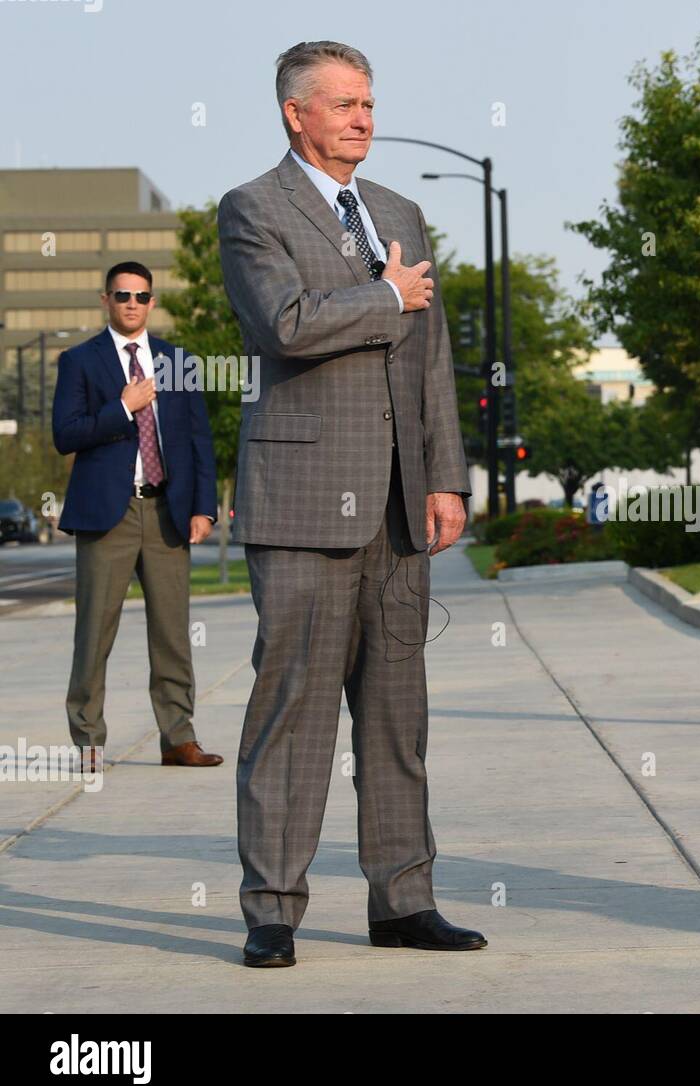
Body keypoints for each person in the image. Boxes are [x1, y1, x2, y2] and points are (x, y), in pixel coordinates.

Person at [218, 40, 485, 967]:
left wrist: (447, 476)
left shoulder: (400, 211)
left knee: (396, 718)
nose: (364, 119)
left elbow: (434, 356)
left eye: (369, 103)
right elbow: (283, 325)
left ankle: (403, 900)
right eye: (344, 106)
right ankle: (272, 910)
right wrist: (382, 295)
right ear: (297, 113)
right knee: (291, 715)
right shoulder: (254, 208)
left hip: (400, 509)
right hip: (301, 506)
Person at [53, 261, 220, 775]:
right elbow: (66, 434)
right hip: (109, 513)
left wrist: (203, 507)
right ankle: (89, 742)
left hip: (167, 509)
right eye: (122, 294)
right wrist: (122, 407)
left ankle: (178, 738)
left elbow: (197, 440)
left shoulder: (177, 361)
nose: (132, 302)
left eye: (141, 295)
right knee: (95, 631)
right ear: (106, 299)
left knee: (172, 632)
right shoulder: (80, 361)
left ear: (152, 302)